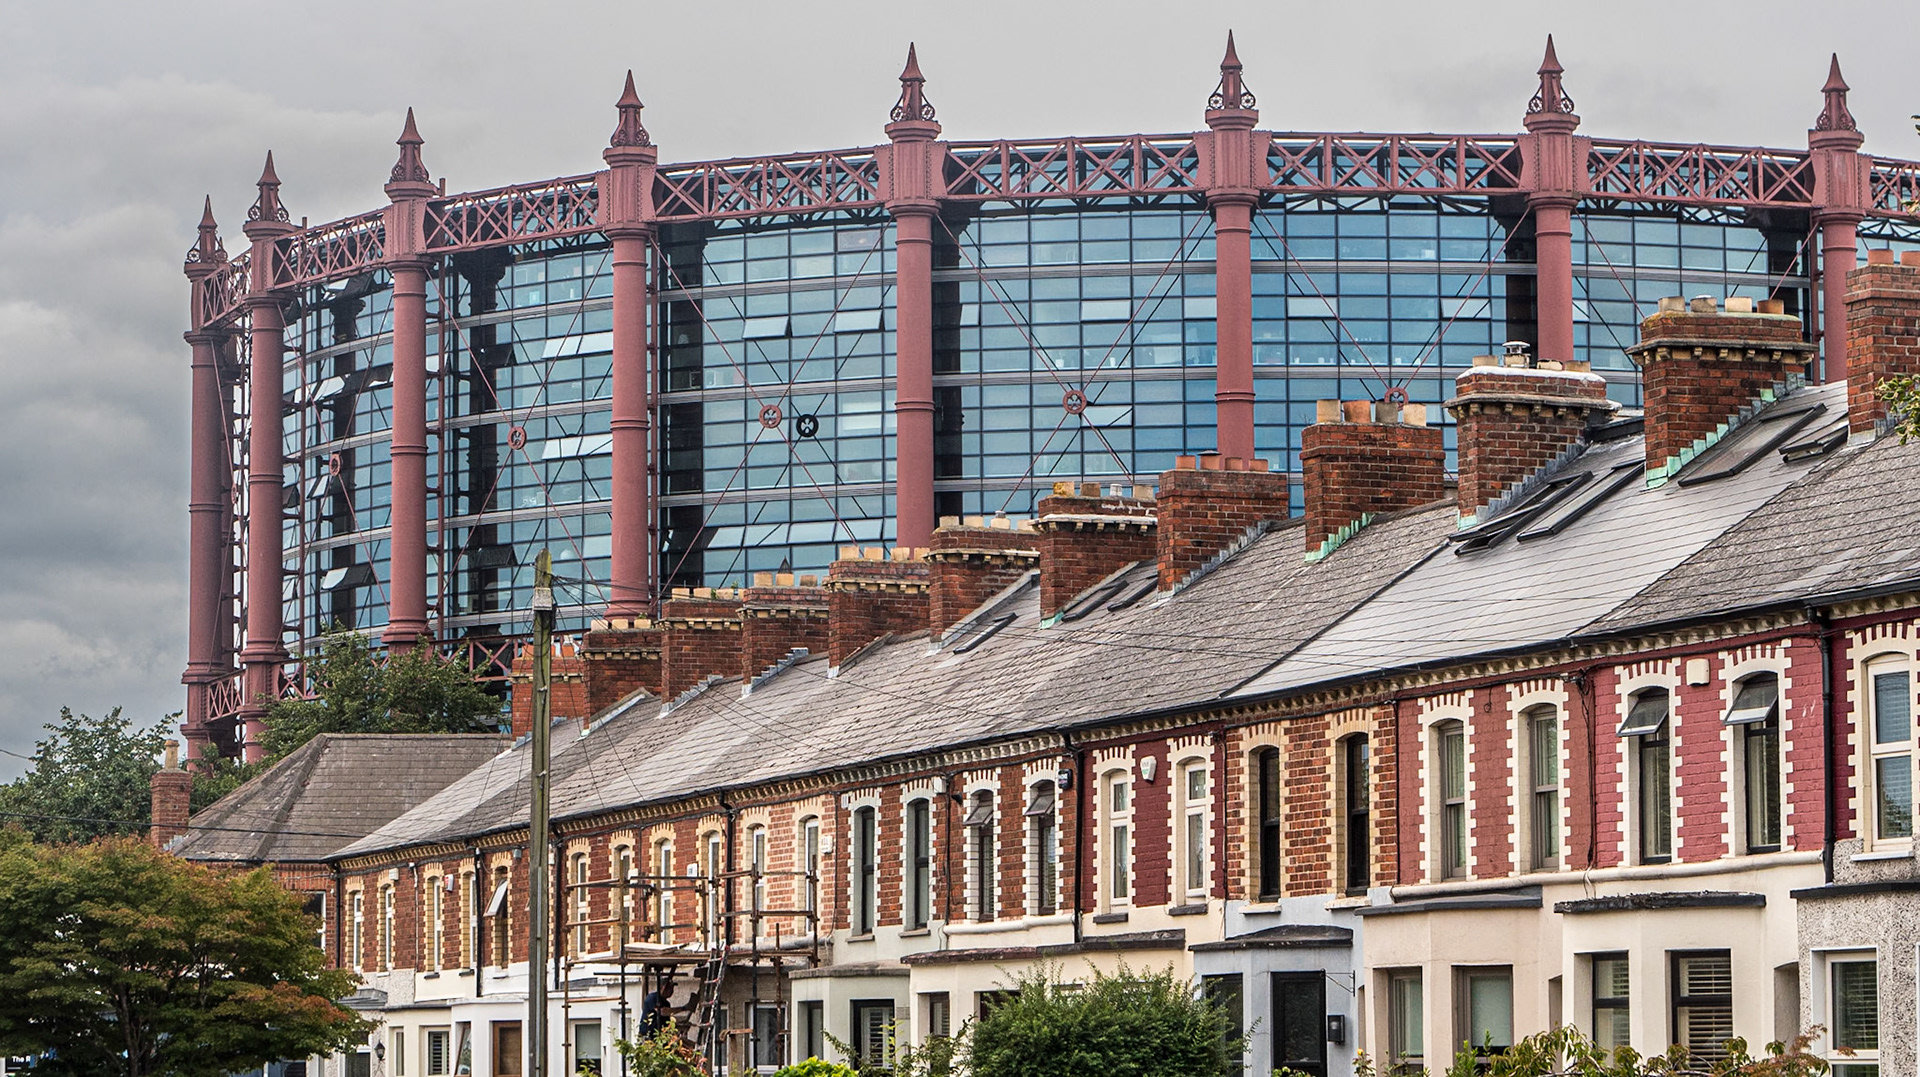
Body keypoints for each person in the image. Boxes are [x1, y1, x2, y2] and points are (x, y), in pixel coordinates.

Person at [639, 973, 676, 1038]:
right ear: (661, 988)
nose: (671, 990)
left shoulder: (666, 1003)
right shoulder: (652, 998)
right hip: (648, 1035)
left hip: (660, 1036)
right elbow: (662, 1012)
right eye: (669, 988)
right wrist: (683, 1008)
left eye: (672, 988)